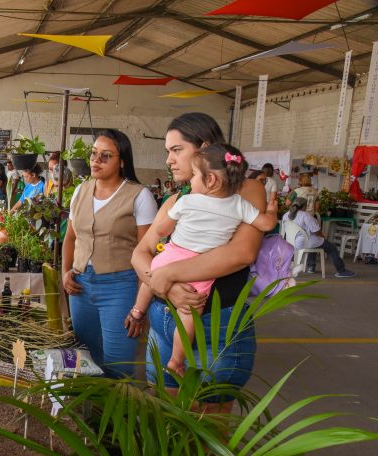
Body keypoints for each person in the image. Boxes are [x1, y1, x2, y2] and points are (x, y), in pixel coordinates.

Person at [131, 112, 266, 413]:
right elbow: (140, 253)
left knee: (206, 430)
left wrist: (167, 276)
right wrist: (169, 288)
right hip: (165, 322)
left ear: (204, 149)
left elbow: (241, 254)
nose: (169, 160)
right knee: (166, 422)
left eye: (176, 150)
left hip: (214, 325)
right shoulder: (178, 200)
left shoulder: (247, 190)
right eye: (168, 151)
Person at [61, 129, 158, 378]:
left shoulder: (139, 195)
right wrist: (65, 273)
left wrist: (140, 306)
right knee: (86, 360)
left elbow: (147, 252)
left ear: (122, 161)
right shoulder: (81, 191)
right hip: (80, 286)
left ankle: (119, 417)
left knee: (118, 365)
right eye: (93, 154)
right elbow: (70, 238)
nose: (96, 160)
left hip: (120, 286)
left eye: (105, 156)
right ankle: (90, 416)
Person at [283, 196, 356, 277]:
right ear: (304, 206)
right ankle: (341, 271)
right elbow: (316, 231)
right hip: (305, 242)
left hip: (291, 242)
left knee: (314, 242)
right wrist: (323, 237)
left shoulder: (286, 215)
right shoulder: (305, 215)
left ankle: (311, 267)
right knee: (331, 248)